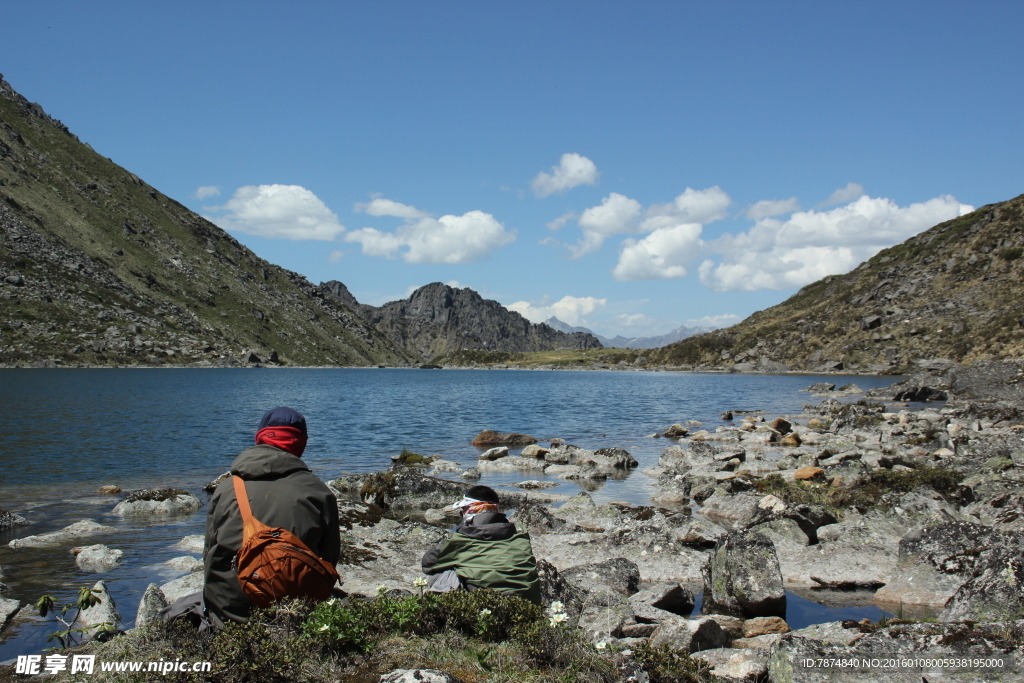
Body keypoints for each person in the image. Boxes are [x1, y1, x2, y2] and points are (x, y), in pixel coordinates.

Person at [202, 406, 341, 629]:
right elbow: (329, 561)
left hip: (230, 615)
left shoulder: (227, 488)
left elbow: (209, 554)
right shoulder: (319, 492)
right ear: (301, 444)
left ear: (259, 439)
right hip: (295, 613)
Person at [421, 485, 541, 604]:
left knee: (443, 574)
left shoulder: (463, 538)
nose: (461, 514)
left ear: (470, 510)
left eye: (462, 510)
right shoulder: (519, 533)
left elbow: (428, 564)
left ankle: (445, 616)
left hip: (488, 606)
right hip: (527, 603)